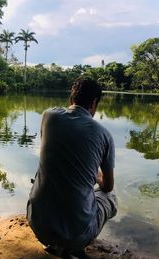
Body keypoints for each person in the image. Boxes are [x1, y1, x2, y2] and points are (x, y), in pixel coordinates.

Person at [27, 77, 117, 258]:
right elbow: (107, 186)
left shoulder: (48, 116)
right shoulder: (104, 135)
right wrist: (97, 176)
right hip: (76, 235)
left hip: (37, 224)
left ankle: (56, 243)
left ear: (71, 100)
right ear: (94, 103)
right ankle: (74, 247)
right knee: (109, 197)